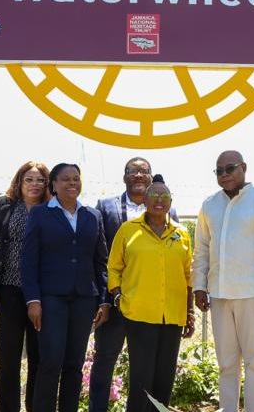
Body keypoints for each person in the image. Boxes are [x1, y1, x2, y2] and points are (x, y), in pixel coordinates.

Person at [191, 150, 254, 412]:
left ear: (243, 167)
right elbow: (201, 249)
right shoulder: (209, 205)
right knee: (226, 362)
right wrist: (199, 286)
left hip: (253, 297)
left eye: (229, 169)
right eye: (218, 171)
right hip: (219, 296)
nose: (224, 175)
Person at [89, 157, 178, 412]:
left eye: (144, 171)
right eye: (133, 171)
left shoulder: (168, 211)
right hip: (115, 303)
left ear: (151, 178)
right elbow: (101, 258)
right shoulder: (105, 208)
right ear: (124, 176)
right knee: (105, 361)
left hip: (150, 309)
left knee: (146, 368)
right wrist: (107, 299)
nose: (138, 175)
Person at [21, 163, 110, 412]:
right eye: (66, 179)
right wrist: (33, 300)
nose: (72, 183)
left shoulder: (92, 215)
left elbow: (100, 261)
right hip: (51, 299)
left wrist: (103, 299)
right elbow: (29, 261)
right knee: (50, 361)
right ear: (54, 184)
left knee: (74, 364)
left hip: (84, 299)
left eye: (76, 178)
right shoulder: (40, 214)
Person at [107, 174, 194, 412]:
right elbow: (114, 267)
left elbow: (188, 276)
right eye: (154, 195)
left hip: (173, 316)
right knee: (141, 379)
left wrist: (189, 312)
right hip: (139, 315)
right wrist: (117, 297)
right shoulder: (128, 230)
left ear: (170, 201)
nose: (159, 200)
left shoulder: (182, 233)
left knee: (164, 379)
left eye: (165, 196)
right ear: (144, 199)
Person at [0, 161, 51, 412]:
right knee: (9, 357)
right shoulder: (3, 206)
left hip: (41, 293)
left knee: (38, 357)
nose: (34, 184)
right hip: (9, 289)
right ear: (20, 180)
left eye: (40, 180)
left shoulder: (52, 210)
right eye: (29, 179)